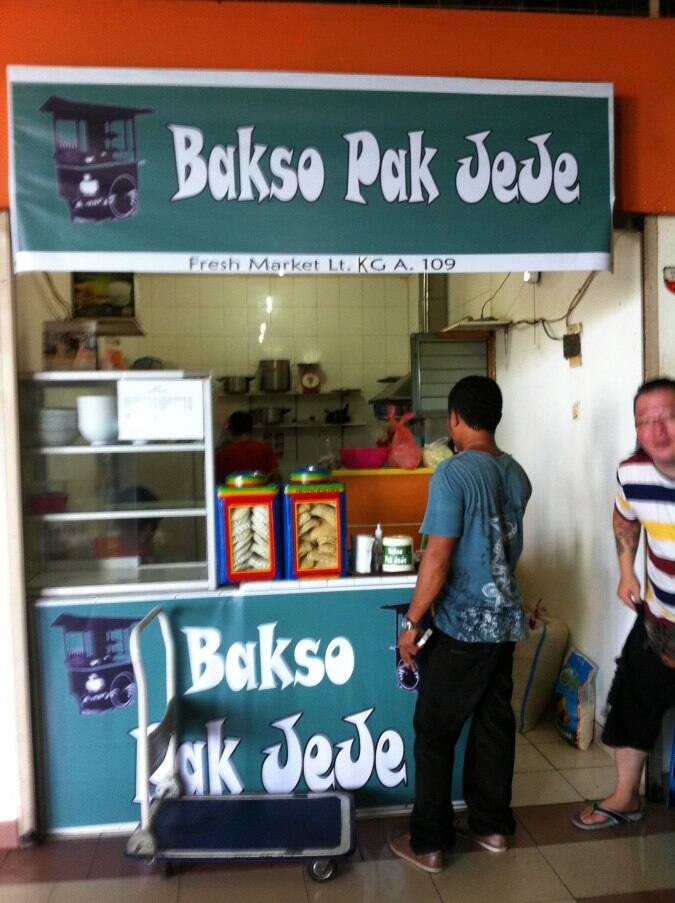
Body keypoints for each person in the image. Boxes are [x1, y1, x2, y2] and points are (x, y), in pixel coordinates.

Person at [389, 375, 531, 873]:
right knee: (494, 726)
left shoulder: (452, 475)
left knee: (433, 730)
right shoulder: (516, 474)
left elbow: (438, 558)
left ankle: (428, 841)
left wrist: (412, 622)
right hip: (505, 622)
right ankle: (492, 827)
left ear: (454, 418)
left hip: (462, 626)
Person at [573, 377, 675, 830]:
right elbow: (624, 515)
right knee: (632, 699)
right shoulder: (631, 472)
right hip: (658, 619)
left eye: (669, 417)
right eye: (646, 422)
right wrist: (626, 569)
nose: (659, 431)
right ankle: (625, 796)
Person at [215, 410, 281, 485]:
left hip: (233, 495)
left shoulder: (222, 454)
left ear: (231, 429)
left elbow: (217, 483)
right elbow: (277, 478)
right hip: (260, 495)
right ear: (251, 428)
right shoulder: (265, 449)